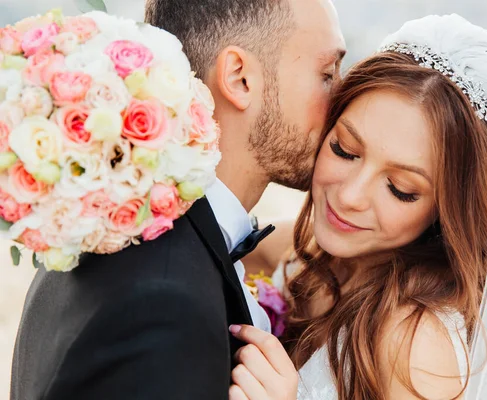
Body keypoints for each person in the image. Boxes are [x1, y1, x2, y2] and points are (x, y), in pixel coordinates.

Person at [232, 14, 487, 400]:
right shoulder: (299, 249)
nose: (350, 196)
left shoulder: (414, 343)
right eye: (344, 149)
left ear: (448, 211)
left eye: (401, 189)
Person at [10, 1, 345, 399]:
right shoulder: (163, 307)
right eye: (327, 74)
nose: (343, 101)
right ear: (240, 79)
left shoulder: (111, 230)